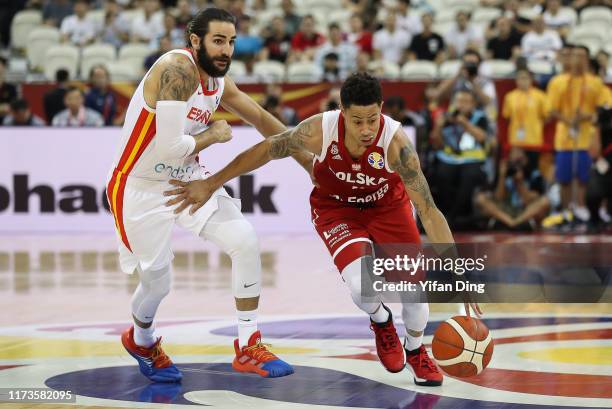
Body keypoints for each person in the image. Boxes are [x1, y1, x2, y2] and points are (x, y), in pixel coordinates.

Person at [164, 72, 482, 387]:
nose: (367, 129)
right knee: (362, 287)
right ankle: (381, 320)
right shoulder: (320, 129)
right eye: (357, 121)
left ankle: (414, 349)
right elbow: (268, 149)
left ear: (382, 109)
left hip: (389, 208)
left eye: (373, 119)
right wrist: (211, 182)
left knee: (415, 297)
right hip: (337, 209)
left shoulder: (396, 143)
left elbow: (427, 208)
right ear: (342, 111)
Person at [108, 8, 311, 383]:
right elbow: (170, 147)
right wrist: (213, 136)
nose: (226, 50)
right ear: (196, 41)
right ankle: (142, 339)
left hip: (188, 178)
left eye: (232, 42)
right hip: (139, 186)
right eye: (219, 41)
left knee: (244, 239)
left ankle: (249, 344)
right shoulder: (176, 70)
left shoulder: (220, 82)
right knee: (157, 283)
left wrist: (310, 165)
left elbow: (265, 122)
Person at [547, 45, 608, 221]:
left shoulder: (595, 83)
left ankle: (583, 208)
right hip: (565, 136)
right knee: (564, 177)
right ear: (569, 58)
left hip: (587, 137)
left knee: (585, 177)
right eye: (575, 56)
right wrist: (568, 120)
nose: (578, 60)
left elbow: (603, 110)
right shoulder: (557, 82)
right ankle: (566, 210)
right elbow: (552, 110)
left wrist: (585, 116)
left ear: (587, 60)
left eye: (582, 56)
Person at [431, 89, 490, 228]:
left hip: (472, 159)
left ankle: (453, 217)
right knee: (442, 174)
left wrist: (464, 122)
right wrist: (438, 127)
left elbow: (482, 137)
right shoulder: (445, 117)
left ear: (473, 104)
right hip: (449, 158)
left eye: (465, 102)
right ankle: (445, 214)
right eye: (459, 101)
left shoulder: (480, 117)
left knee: (470, 176)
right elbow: (437, 144)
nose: (461, 105)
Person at [475, 147, 550, 229]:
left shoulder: (534, 174)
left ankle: (516, 222)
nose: (516, 157)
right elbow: (499, 198)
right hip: (505, 211)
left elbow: (529, 200)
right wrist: (502, 176)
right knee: (480, 199)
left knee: (544, 202)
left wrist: (520, 183)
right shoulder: (503, 171)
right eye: (513, 153)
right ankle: (510, 222)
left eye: (519, 153)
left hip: (525, 211)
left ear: (526, 158)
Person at [502, 69, 549, 171]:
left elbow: (547, 115)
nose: (522, 81)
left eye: (525, 78)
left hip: (534, 139)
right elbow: (507, 117)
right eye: (519, 78)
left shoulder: (540, 96)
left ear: (531, 79)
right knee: (517, 171)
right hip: (516, 140)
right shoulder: (510, 97)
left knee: (533, 170)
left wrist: (539, 124)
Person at [0, 57, 18, 126]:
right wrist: (2, 108)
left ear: (3, 67)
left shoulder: (11, 88)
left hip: (6, 120)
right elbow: (5, 107)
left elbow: (12, 107)